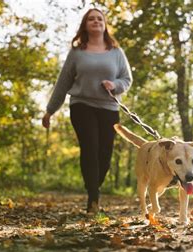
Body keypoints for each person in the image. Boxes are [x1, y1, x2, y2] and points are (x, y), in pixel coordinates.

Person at [42, 8, 132, 214]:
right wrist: (50, 110)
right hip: (81, 105)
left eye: (99, 18)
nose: (96, 21)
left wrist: (114, 85)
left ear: (105, 24)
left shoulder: (116, 52)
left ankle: (94, 185)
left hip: (109, 107)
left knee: (105, 154)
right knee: (90, 147)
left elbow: (127, 79)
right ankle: (93, 197)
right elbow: (63, 83)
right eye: (91, 19)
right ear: (85, 24)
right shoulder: (77, 52)